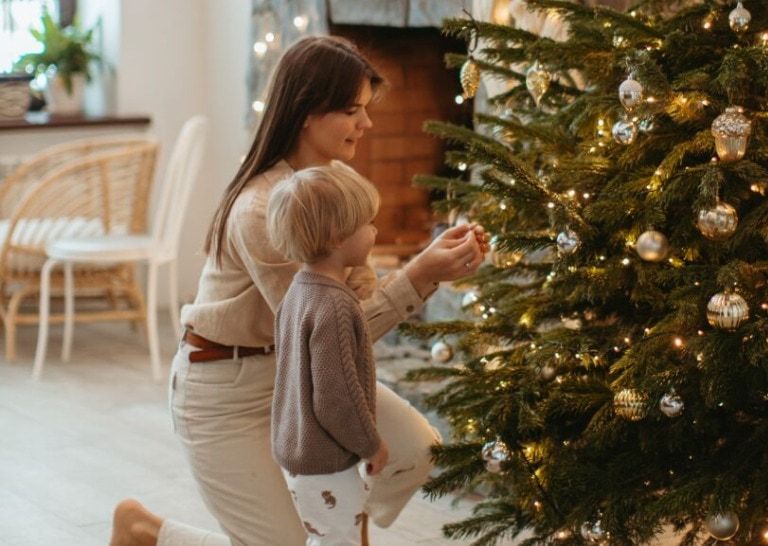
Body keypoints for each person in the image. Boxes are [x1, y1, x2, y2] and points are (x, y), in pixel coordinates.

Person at [110, 35, 488, 546]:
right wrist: (422, 274)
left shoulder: (333, 186)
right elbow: (325, 329)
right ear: (310, 110)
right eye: (353, 110)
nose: (367, 124)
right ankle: (144, 532)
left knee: (416, 450)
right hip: (227, 388)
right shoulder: (263, 209)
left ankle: (328, 534)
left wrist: (425, 269)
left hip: (297, 373)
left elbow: (354, 308)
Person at [268, 165, 388, 545]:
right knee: (339, 540)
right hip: (326, 460)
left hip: (298, 452)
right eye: (368, 223)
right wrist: (371, 444)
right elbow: (336, 397)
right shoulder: (334, 305)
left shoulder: (298, 291)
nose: (375, 230)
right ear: (337, 236)